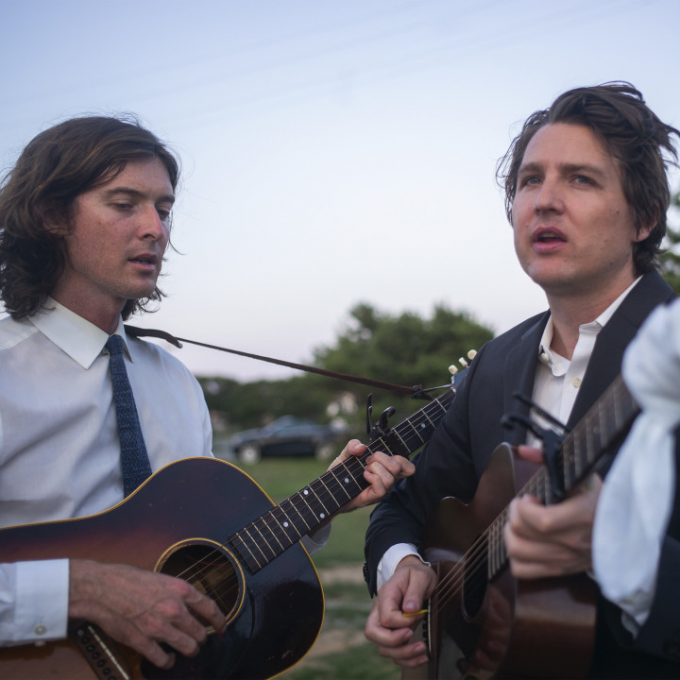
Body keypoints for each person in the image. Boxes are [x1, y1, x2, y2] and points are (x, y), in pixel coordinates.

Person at [0, 115, 414, 671]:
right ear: (51, 215)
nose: (155, 228)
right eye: (125, 204)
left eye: (164, 210)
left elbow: (209, 556)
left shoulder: (176, 383)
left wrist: (326, 503)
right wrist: (85, 590)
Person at [363, 82, 680, 678]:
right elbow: (407, 505)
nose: (545, 201)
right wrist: (403, 566)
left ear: (644, 219)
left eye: (580, 179)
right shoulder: (493, 364)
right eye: (531, 180)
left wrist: (627, 557)